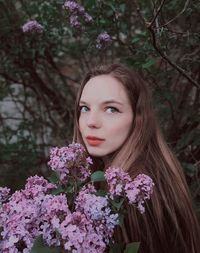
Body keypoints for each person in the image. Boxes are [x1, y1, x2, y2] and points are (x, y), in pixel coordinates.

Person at [73, 64, 200, 253]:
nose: (91, 122)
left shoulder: (136, 193)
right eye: (85, 108)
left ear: (138, 118)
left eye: (111, 109)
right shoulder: (107, 175)